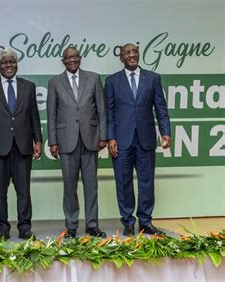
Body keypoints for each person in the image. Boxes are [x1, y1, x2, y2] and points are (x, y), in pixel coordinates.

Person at [105, 43, 171, 236]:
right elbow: (109, 113)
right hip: (121, 140)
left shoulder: (153, 78)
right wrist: (110, 137)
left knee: (146, 182)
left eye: (134, 52)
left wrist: (166, 132)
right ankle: (127, 222)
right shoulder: (112, 81)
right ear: (121, 58)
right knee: (123, 182)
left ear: (138, 55)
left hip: (146, 139)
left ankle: (145, 221)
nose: (131, 55)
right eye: (127, 53)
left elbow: (161, 108)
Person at [0, 48, 42, 240]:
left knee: (23, 190)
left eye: (11, 62)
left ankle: (24, 228)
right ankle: (2, 228)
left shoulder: (28, 87)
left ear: (17, 64)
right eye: (4, 62)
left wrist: (38, 140)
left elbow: (34, 117)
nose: (8, 66)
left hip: (23, 146)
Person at [47, 47, 107, 239]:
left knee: (91, 185)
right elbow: (51, 115)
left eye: (75, 57)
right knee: (69, 186)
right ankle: (71, 225)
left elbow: (102, 109)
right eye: (68, 58)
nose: (72, 60)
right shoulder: (55, 82)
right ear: (63, 61)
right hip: (66, 141)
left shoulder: (94, 78)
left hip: (90, 139)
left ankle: (92, 225)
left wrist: (103, 135)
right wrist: (53, 141)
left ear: (80, 58)